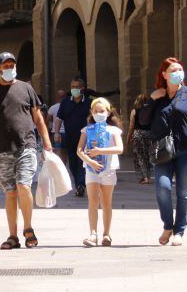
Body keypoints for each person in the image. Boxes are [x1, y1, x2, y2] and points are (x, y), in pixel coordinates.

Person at [0, 52, 54, 250]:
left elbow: (38, 118)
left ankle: (28, 229)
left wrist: (47, 143)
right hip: (1, 150)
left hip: (26, 146)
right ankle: (12, 236)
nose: (10, 68)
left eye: (12, 65)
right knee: (10, 193)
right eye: (6, 66)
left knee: (23, 186)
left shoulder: (26, 88)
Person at [150, 57, 187, 246]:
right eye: (173, 70)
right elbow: (143, 120)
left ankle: (179, 231)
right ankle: (168, 225)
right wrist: (151, 100)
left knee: (184, 192)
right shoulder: (159, 97)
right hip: (163, 152)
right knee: (163, 187)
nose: (178, 73)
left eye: (180, 70)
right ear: (164, 74)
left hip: (186, 151)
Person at [77, 97, 124, 247]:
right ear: (91, 112)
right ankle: (93, 233)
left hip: (108, 169)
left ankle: (106, 234)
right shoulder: (87, 130)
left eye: (102, 111)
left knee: (106, 203)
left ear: (108, 112)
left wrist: (100, 151)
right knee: (93, 202)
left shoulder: (113, 130)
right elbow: (79, 150)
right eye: (96, 111)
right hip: (91, 170)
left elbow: (119, 149)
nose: (99, 114)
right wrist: (90, 161)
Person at [54, 78, 92, 197]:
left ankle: (81, 184)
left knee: (82, 161)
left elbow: (92, 119)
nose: (74, 89)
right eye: (73, 87)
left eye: (77, 87)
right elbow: (59, 118)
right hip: (69, 136)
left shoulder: (89, 103)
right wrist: (56, 133)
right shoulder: (65, 102)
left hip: (84, 137)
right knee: (72, 163)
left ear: (82, 88)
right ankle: (78, 184)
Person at [127, 94, 154, 184]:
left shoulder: (134, 111)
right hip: (149, 134)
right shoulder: (151, 111)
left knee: (140, 156)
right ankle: (148, 175)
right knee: (149, 155)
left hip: (138, 134)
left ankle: (144, 176)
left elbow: (131, 126)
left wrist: (128, 138)